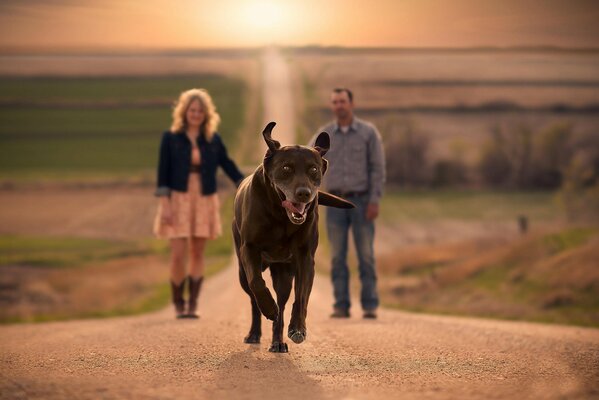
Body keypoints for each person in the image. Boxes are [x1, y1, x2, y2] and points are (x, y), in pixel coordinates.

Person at [153, 88, 244, 319]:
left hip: (204, 198)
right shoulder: (170, 138)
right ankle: (178, 303)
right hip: (177, 198)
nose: (196, 114)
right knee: (177, 254)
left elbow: (227, 164)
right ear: (184, 112)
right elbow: (162, 173)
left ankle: (192, 303)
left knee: (197, 252)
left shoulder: (213, 139)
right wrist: (165, 205)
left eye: (200, 111)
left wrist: (244, 184)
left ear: (206, 114)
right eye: (192, 110)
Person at [308, 88, 385, 319]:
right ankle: (341, 305)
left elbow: (377, 168)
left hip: (362, 201)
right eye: (335, 102)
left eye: (342, 101)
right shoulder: (324, 134)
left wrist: (374, 200)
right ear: (332, 106)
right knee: (336, 256)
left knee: (366, 255)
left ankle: (370, 304)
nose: (339, 105)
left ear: (351, 103)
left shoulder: (368, 133)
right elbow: (306, 160)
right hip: (335, 203)